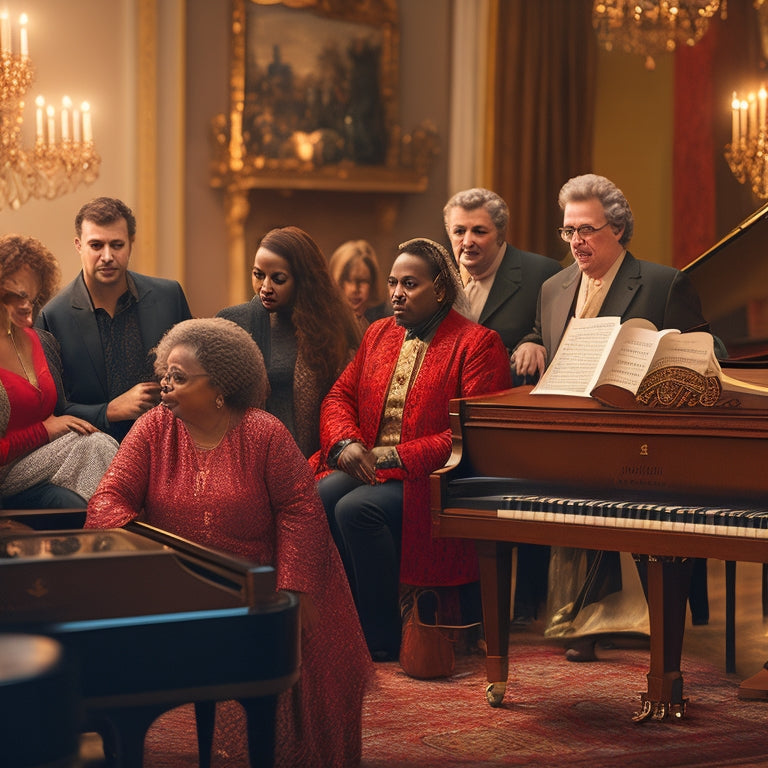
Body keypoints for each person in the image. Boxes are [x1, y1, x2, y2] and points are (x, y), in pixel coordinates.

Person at [85, 317, 372, 767]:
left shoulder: (264, 433)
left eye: (179, 378)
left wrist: (291, 592)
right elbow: (108, 497)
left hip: (263, 588)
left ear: (219, 386)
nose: (165, 386)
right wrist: (145, 555)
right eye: (164, 374)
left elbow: (301, 511)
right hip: (179, 589)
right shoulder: (154, 429)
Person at [514, 173, 711, 661]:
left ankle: (660, 624)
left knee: (645, 511)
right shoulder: (555, 286)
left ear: (617, 229)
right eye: (568, 231)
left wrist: (669, 357)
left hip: (644, 437)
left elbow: (712, 351)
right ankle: (583, 619)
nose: (575, 242)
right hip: (575, 433)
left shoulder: (664, 283)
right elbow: (540, 333)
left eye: (586, 230)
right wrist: (530, 342)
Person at [316, 238, 512, 660]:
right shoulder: (378, 333)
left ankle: (381, 637)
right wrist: (346, 443)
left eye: (410, 284)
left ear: (440, 290)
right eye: (392, 282)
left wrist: (388, 458)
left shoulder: (477, 343)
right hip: (367, 465)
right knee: (319, 497)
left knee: (356, 510)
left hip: (435, 478)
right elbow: (339, 396)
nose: (396, 294)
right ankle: (341, 623)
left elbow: (473, 432)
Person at [444, 187, 561, 626]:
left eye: (479, 231)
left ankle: (530, 607)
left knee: (522, 509)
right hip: (453, 415)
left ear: (500, 234)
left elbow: (562, 328)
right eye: (459, 231)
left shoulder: (542, 273)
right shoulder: (442, 276)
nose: (467, 241)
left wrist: (536, 340)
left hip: (517, 416)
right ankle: (468, 607)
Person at [36, 197, 193, 442]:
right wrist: (109, 410)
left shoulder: (169, 296)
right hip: (99, 450)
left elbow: (199, 370)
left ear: (131, 243)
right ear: (79, 245)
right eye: (96, 245)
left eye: (117, 245)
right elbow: (52, 410)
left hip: (174, 441)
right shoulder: (52, 316)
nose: (107, 256)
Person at [217, 226, 360, 457]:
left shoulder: (329, 330)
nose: (265, 288)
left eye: (278, 279)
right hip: (245, 457)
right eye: (258, 274)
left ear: (303, 280)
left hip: (305, 459)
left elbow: (344, 404)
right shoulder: (232, 322)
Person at [0, 234, 118, 509]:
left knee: (99, 444)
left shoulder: (41, 340)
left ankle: (111, 530)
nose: (25, 303)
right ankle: (114, 534)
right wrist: (44, 431)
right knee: (94, 448)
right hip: (7, 470)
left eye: (31, 294)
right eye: (15, 292)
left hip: (44, 453)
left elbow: (58, 412)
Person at [328, 239, 392, 328]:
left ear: (373, 284)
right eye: (348, 280)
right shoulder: (325, 325)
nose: (354, 289)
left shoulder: (384, 324)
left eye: (362, 281)